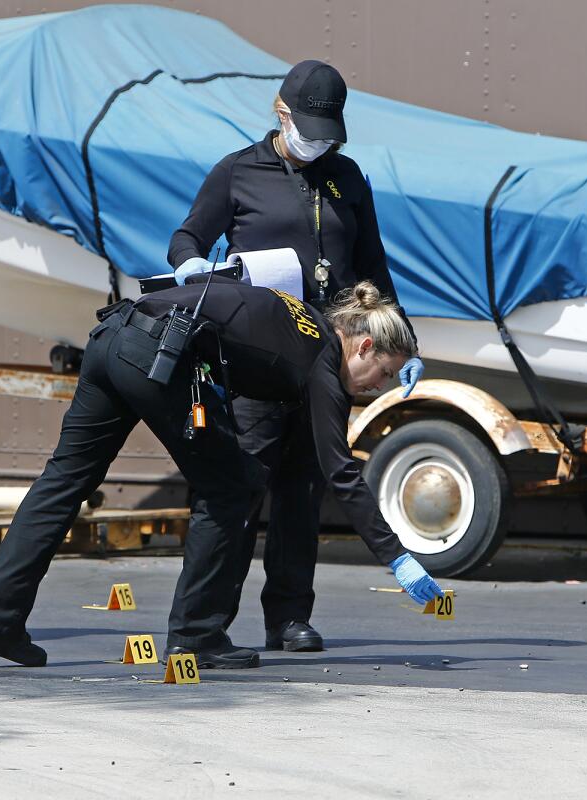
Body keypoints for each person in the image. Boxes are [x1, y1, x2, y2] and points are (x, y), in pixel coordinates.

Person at [0, 279, 443, 668]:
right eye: (383, 374)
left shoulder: (299, 315)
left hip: (114, 335)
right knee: (233, 487)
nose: (376, 389)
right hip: (159, 352)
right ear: (363, 345)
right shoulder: (322, 361)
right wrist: (396, 556)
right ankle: (195, 635)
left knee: (64, 479)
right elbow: (340, 473)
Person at [166, 59, 424, 653]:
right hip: (260, 357)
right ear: (280, 113)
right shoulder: (237, 172)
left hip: (327, 359)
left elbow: (374, 264)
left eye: (329, 134)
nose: (319, 143)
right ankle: (209, 623)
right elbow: (188, 237)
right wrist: (190, 267)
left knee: (304, 491)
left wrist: (403, 339)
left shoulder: (347, 177)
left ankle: (288, 616)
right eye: (310, 129)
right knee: (241, 486)